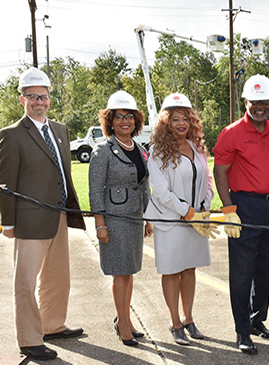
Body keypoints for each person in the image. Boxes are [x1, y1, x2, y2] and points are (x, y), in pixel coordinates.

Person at [0, 67, 86, 361]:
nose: (39, 102)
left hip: (59, 215)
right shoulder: (11, 135)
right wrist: (8, 223)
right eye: (33, 97)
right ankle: (29, 339)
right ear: (22, 99)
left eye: (44, 97)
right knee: (26, 281)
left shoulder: (60, 130)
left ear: (50, 98)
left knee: (58, 277)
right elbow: (6, 183)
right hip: (28, 220)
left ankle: (52, 325)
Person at [212, 74, 269, 355]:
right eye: (254, 101)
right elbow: (219, 171)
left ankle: (258, 320)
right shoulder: (231, 132)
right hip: (244, 206)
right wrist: (228, 209)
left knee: (268, 269)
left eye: (265, 101)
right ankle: (242, 331)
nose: (260, 106)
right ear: (245, 101)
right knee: (243, 272)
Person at [145, 93, 218, 346]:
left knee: (189, 268)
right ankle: (175, 321)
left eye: (185, 118)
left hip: (196, 218)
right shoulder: (157, 150)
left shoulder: (197, 147)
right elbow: (161, 190)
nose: (181, 123)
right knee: (171, 269)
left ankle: (189, 319)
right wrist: (186, 212)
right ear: (166, 121)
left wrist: (204, 206)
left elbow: (207, 180)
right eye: (175, 119)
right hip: (171, 220)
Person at [89, 90, 153, 347]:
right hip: (114, 221)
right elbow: (95, 190)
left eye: (129, 116)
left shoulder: (138, 148)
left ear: (136, 120)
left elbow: (144, 185)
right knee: (120, 274)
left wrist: (149, 218)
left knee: (129, 273)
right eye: (118, 117)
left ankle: (124, 319)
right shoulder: (102, 151)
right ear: (110, 121)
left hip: (134, 219)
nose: (124, 121)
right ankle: (123, 325)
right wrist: (100, 225)